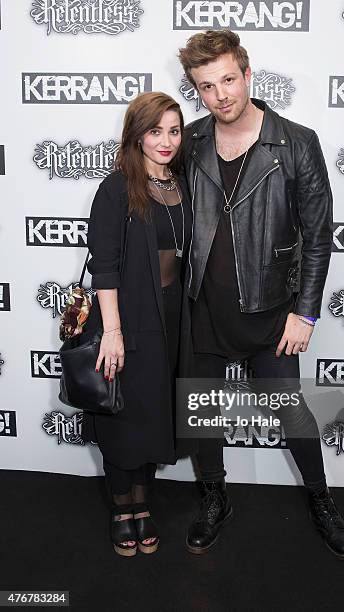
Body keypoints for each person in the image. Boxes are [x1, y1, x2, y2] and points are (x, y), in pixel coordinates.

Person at [178, 30, 344, 560]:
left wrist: (304, 312)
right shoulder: (189, 143)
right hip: (203, 308)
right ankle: (215, 497)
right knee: (201, 409)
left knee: (291, 411)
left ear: (248, 75)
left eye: (229, 79)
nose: (221, 95)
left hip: (272, 311)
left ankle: (323, 501)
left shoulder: (296, 142)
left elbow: (319, 235)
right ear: (197, 91)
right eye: (207, 86)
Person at [81, 92, 191, 556]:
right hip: (126, 318)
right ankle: (121, 508)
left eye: (174, 130)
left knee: (152, 415)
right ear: (137, 135)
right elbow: (103, 265)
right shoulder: (117, 187)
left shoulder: (182, 182)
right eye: (155, 131)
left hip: (171, 319)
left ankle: (142, 504)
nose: (166, 141)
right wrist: (113, 331)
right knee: (122, 416)